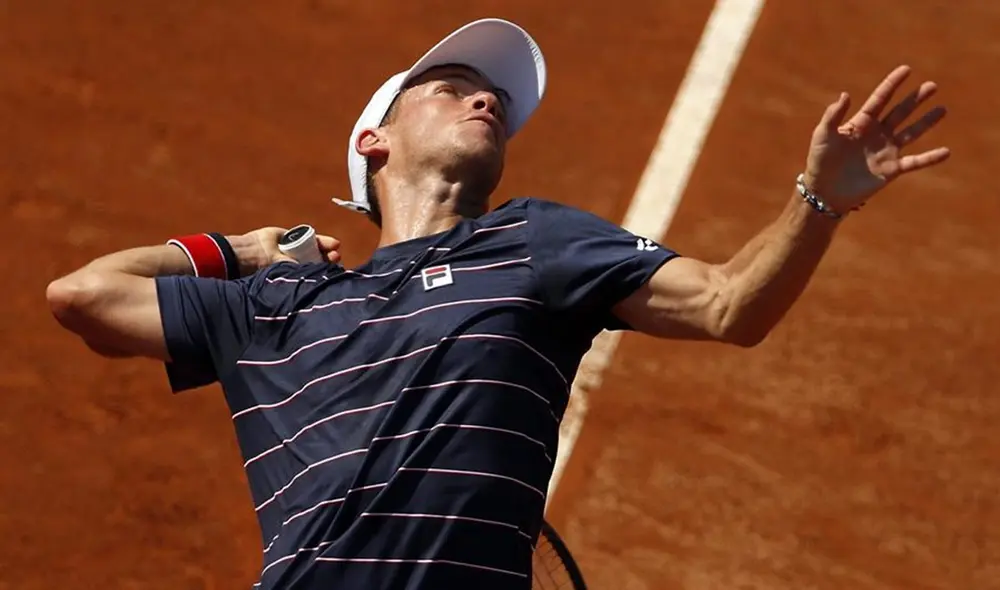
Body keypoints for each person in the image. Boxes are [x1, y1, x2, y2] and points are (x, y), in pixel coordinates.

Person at [45, 17, 949, 590]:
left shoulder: (535, 245)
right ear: (374, 140)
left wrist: (818, 198)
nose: (487, 98)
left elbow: (727, 305)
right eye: (450, 87)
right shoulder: (278, 304)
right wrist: (235, 253)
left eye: (497, 102)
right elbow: (84, 296)